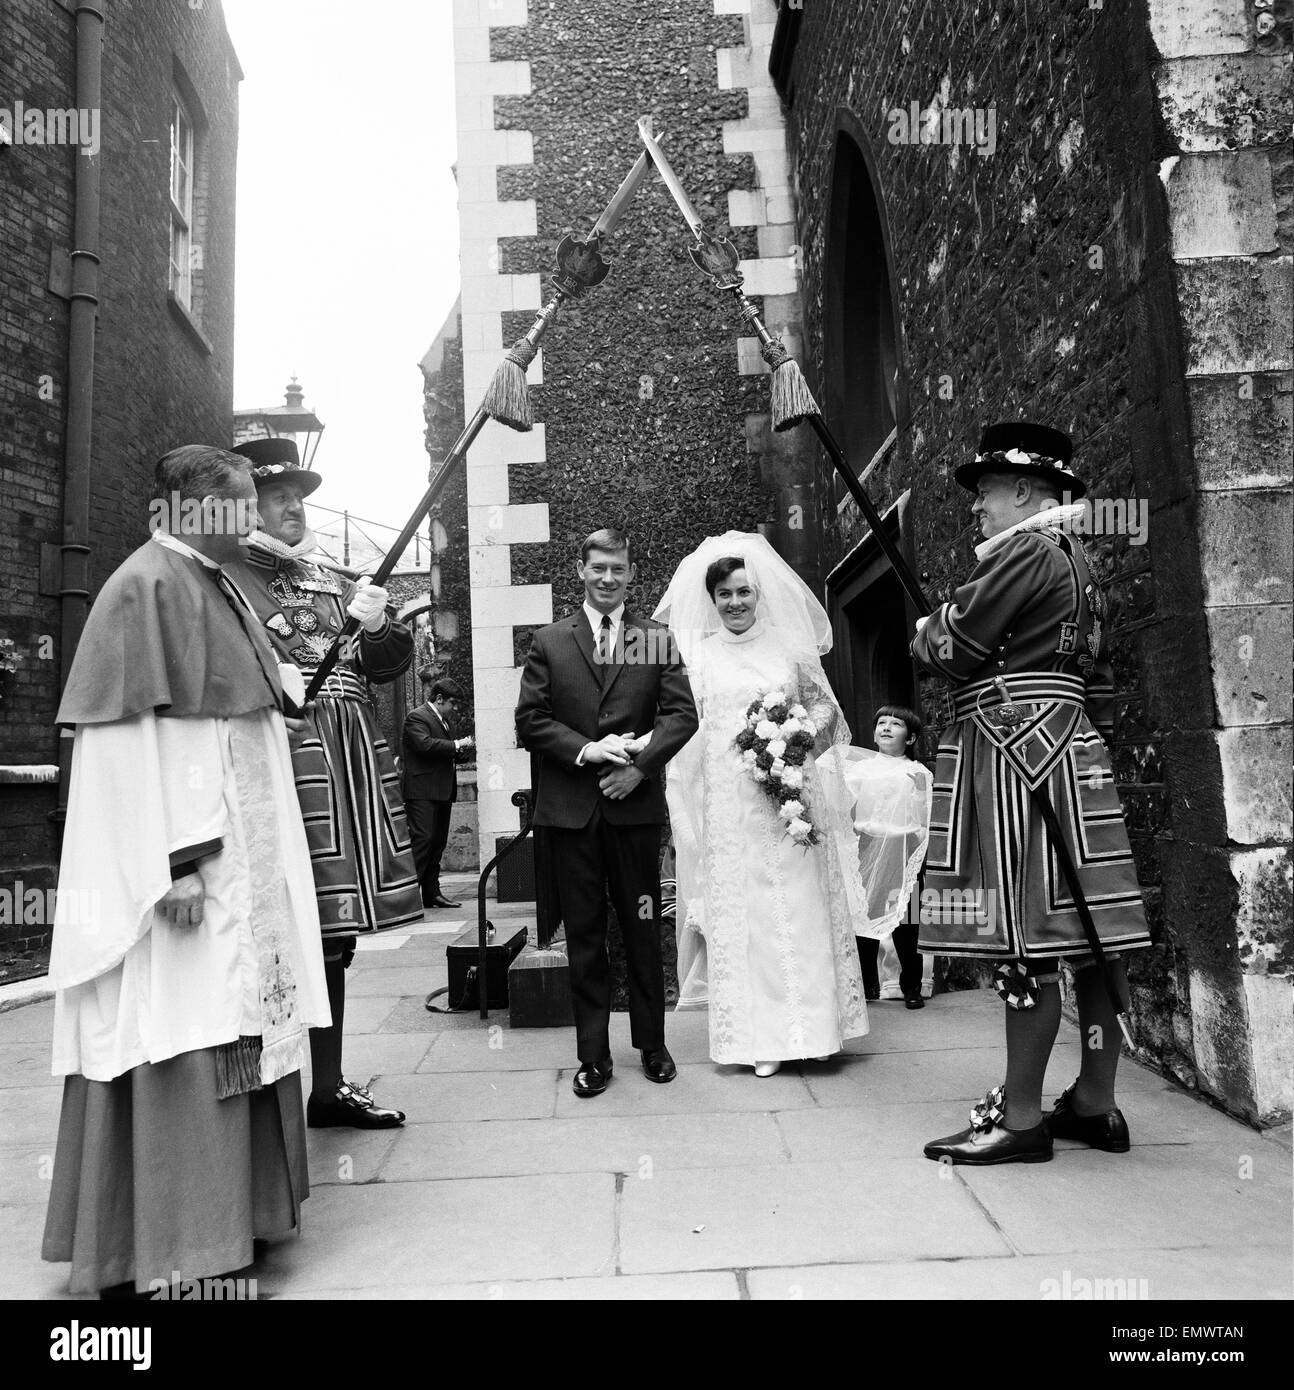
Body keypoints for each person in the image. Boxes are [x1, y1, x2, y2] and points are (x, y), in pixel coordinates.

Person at [42, 445, 331, 1298]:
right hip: (186, 884)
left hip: (237, 875)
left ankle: (235, 1218)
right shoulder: (146, 588)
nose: (250, 520)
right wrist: (169, 868)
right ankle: (171, 1236)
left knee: (234, 1018)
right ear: (193, 508)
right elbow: (130, 749)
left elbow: (245, 715)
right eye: (238, 506)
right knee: (182, 1024)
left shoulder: (215, 583)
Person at [913, 421, 1152, 1165]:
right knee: (1092, 938)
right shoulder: (1082, 561)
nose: (975, 509)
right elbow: (1100, 686)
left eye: (984, 493)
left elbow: (956, 648)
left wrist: (925, 627)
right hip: (1074, 756)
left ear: (1024, 491)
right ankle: (1095, 1103)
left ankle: (1019, 1120)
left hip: (1014, 759)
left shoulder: (1024, 550)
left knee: (1027, 942)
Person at [227, 437, 422, 1130]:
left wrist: (380, 624)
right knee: (281, 922)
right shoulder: (229, 575)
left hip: (347, 751)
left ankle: (329, 1084)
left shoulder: (331, 578)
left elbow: (389, 664)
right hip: (287, 747)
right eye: (277, 499)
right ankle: (259, 1090)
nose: (292, 510)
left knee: (334, 931)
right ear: (246, 506)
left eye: (297, 499)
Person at [654, 533, 868, 1076]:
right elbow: (683, 726)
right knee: (748, 919)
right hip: (731, 808)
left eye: (744, 591)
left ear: (759, 593)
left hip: (792, 799)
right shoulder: (699, 656)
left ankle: (816, 1032)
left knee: (800, 911)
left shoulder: (789, 649)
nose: (735, 602)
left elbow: (826, 713)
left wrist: (794, 732)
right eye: (724, 593)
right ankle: (762, 1040)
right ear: (712, 599)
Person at [516, 528, 699, 1098]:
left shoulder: (653, 638)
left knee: (643, 929)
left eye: (618, 569)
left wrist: (639, 767)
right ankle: (593, 1056)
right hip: (570, 815)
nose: (608, 578)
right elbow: (529, 720)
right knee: (587, 937)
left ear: (631, 573)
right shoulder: (550, 641)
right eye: (598, 568)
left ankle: (653, 1044)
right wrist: (587, 750)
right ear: (581, 570)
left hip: (633, 811)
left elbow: (680, 715)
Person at [850, 705, 932, 1010]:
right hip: (867, 845)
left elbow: (924, 816)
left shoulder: (917, 772)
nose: (886, 727)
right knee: (863, 914)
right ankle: (867, 983)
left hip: (904, 846)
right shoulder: (860, 769)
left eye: (895, 724)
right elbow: (845, 806)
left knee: (907, 919)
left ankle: (911, 985)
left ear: (909, 738)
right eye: (881, 722)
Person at [403, 672, 474, 908]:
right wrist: (456, 744)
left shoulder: (445, 722)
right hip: (422, 791)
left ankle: (432, 893)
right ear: (440, 698)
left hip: (442, 790)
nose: (455, 709)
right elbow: (424, 745)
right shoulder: (417, 717)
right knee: (422, 841)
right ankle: (407, 896)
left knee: (437, 844)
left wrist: (462, 750)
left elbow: (444, 751)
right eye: (453, 703)